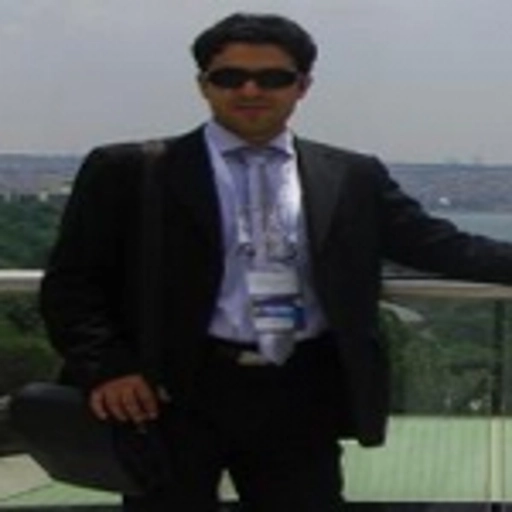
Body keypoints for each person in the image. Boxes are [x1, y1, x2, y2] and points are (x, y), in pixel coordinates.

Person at [40, 12, 512, 512]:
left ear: (302, 86)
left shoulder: (350, 176)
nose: (250, 90)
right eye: (229, 77)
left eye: (272, 78)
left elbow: (441, 247)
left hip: (300, 390)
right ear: (203, 84)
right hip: (171, 393)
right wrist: (109, 368)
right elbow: (73, 282)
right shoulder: (131, 171)